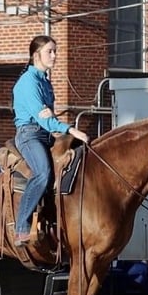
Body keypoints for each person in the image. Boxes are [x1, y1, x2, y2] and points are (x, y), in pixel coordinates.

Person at [12, 35, 89, 247]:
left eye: (55, 51)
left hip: (47, 134)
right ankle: (21, 227)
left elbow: (49, 117)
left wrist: (52, 121)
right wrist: (72, 130)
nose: (55, 56)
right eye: (50, 52)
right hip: (30, 135)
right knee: (43, 173)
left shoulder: (45, 81)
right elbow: (44, 119)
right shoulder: (28, 82)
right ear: (36, 55)